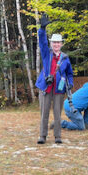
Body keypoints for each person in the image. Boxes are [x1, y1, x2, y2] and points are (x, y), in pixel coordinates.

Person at [36, 14, 73, 145]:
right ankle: (42, 136)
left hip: (59, 88)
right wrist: (42, 29)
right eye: (54, 42)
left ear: (61, 44)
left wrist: (70, 84)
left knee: (58, 114)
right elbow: (42, 41)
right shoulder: (47, 54)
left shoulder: (65, 58)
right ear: (51, 44)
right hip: (46, 87)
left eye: (58, 42)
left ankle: (57, 136)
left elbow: (69, 74)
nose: (56, 44)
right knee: (44, 113)